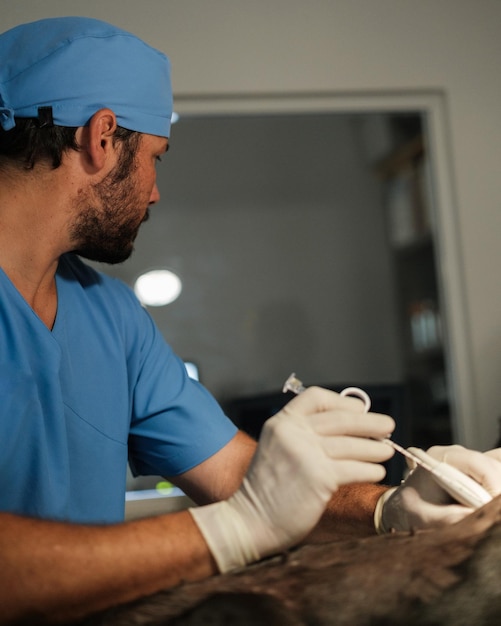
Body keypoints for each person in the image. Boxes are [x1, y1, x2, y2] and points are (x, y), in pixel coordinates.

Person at [1, 16, 500, 625]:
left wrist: (389, 509)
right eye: (156, 157)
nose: (155, 192)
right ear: (102, 137)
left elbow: (241, 474)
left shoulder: (111, 315)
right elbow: (252, 507)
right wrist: (234, 533)